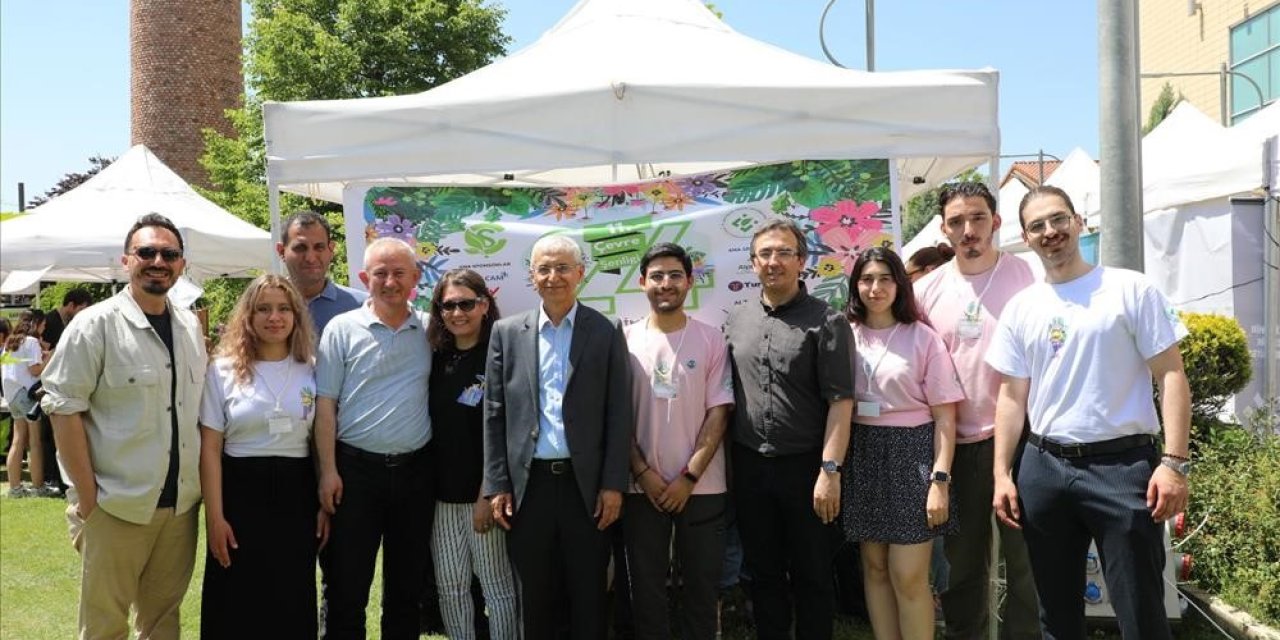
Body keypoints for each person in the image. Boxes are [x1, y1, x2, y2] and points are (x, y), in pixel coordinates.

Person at [988, 186, 1192, 640]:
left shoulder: (1130, 289)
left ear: (1078, 221)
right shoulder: (1021, 307)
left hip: (1123, 468)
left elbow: (1172, 376)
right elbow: (1010, 398)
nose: (1050, 232)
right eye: (1037, 225)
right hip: (1044, 468)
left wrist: (1174, 464)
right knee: (1055, 613)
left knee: (1140, 612)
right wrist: (1003, 473)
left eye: (1058, 219)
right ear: (1025, 236)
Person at [41, 213, 208, 639]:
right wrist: (89, 497)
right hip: (116, 507)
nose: (158, 260)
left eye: (169, 254)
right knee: (104, 627)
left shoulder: (189, 325)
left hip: (180, 509)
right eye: (146, 252)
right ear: (126, 260)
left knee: (163, 623)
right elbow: (63, 409)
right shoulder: (94, 324)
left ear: (181, 265)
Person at [483, 234, 634, 639]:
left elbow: (619, 413)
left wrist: (613, 485)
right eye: (544, 268)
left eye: (563, 267)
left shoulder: (605, 330)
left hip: (584, 489)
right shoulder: (507, 332)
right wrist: (497, 483)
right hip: (527, 488)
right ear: (531, 276)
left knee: (589, 595)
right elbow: (494, 413)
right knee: (536, 596)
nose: (553, 277)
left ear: (581, 274)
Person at [913, 182, 1041, 639]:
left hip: (1022, 439)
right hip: (955, 446)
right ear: (944, 229)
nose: (969, 230)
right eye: (957, 222)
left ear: (996, 221)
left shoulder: (1027, 277)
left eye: (978, 218)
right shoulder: (926, 290)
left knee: (1026, 559)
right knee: (962, 563)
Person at [723, 218, 855, 640]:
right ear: (752, 263)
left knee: (813, 574)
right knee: (763, 573)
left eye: (783, 252)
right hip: (749, 467)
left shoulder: (827, 321)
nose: (773, 261)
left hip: (808, 470)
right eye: (765, 253)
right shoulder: (736, 321)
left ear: (802, 261)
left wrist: (830, 471)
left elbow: (841, 402)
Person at [314, 237, 435, 640]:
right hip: (355, 474)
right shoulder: (341, 329)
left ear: (415, 277)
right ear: (365, 278)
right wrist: (328, 471)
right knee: (347, 588)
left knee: (405, 591)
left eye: (399, 272)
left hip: (416, 475)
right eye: (380, 273)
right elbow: (325, 405)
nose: (389, 282)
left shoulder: (430, 329)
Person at [841, 246, 963, 640]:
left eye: (884, 279)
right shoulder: (844, 333)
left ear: (899, 284)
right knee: (874, 569)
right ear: (855, 285)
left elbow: (946, 416)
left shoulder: (922, 337)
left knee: (908, 576)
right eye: (866, 279)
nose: (875, 288)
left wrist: (939, 480)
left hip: (912, 456)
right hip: (862, 452)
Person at [198, 274, 327, 639]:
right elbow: (210, 448)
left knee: (291, 598)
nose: (275, 317)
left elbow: (320, 441)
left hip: (296, 495)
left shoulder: (313, 366)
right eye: (264, 309)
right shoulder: (221, 370)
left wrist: (321, 505)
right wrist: (215, 518)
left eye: (284, 308)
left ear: (296, 315)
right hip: (239, 495)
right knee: (236, 600)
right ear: (248, 317)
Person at [623, 243, 734, 640]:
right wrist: (642, 472)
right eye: (656, 276)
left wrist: (688, 476)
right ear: (641, 284)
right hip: (641, 488)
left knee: (702, 588)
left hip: (702, 486)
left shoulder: (711, 340)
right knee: (647, 590)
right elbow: (616, 418)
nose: (665, 284)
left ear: (689, 282)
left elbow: (719, 412)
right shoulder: (624, 341)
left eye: (674, 276)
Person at [426, 269, 518, 640]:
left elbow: (506, 431)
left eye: (467, 303)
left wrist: (488, 492)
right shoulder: (434, 357)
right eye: (448, 305)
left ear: (484, 304)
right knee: (451, 587)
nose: (458, 312)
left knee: (497, 588)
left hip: (486, 496)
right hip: (440, 498)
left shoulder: (500, 354)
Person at [277, 210, 367, 335]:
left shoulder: (362, 307)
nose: (310, 258)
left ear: (331, 249)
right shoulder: (263, 307)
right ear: (281, 251)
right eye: (300, 248)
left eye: (319, 247)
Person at [39, 288, 91, 492]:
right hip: (52, 387)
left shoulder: (64, 322)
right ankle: (52, 477)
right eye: (82, 309)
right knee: (49, 436)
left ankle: (57, 478)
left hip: (59, 387)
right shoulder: (51, 321)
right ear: (71, 305)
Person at [2, 313, 53, 497]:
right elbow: (35, 370)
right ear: (36, 324)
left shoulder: (10, 342)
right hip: (27, 395)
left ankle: (15, 488)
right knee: (35, 442)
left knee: (18, 441)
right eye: (43, 325)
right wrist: (51, 356)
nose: (44, 329)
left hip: (12, 395)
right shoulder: (31, 341)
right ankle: (39, 487)